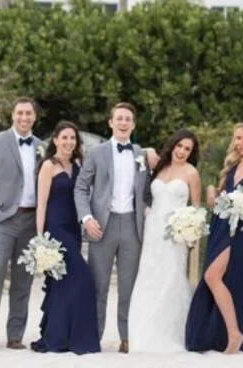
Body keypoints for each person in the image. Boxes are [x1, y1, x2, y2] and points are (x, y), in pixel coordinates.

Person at [185, 121, 243, 354]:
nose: (235, 144)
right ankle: (225, 333)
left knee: (212, 275)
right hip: (219, 224)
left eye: (239, 138)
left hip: (240, 229)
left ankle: (234, 332)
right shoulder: (234, 164)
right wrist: (211, 193)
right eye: (235, 138)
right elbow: (221, 196)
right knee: (215, 277)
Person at [74, 103, 150, 352]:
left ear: (133, 124)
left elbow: (147, 191)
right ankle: (93, 336)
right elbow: (81, 188)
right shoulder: (96, 153)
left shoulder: (140, 153)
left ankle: (127, 337)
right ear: (110, 122)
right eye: (119, 118)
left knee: (129, 285)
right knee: (99, 285)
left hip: (132, 225)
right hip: (101, 226)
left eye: (128, 118)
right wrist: (86, 218)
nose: (124, 122)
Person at [0, 97, 42, 352]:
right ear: (12, 115)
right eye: (20, 113)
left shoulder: (41, 146)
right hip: (2, 220)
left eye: (29, 113)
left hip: (30, 221)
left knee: (23, 281)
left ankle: (15, 336)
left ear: (35, 117)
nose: (24, 118)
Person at [126, 129, 203, 353]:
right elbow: (139, 156)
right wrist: (149, 149)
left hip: (176, 235)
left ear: (191, 152)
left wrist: (191, 233)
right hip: (152, 231)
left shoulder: (191, 173)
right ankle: (143, 332)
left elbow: (196, 208)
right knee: (149, 277)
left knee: (171, 279)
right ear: (173, 145)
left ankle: (171, 334)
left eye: (187, 149)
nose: (182, 151)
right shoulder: (159, 166)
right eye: (179, 146)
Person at [30, 121, 101, 354]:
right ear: (55, 140)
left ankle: (62, 337)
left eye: (73, 138)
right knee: (83, 280)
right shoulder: (48, 166)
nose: (69, 142)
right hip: (55, 230)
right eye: (65, 138)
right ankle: (65, 337)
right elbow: (40, 205)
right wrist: (40, 240)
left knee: (63, 285)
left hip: (73, 229)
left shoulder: (78, 166)